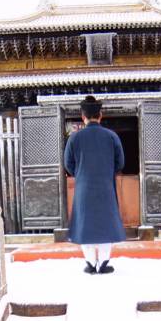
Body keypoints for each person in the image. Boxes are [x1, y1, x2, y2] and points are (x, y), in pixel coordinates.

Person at [64, 95, 126, 274]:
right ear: (100, 115)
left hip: (83, 187)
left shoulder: (74, 138)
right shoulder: (111, 136)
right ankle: (104, 263)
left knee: (85, 223)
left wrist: (81, 174)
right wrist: (107, 172)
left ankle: (90, 263)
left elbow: (68, 164)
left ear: (83, 116)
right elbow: (120, 163)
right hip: (106, 186)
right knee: (106, 222)